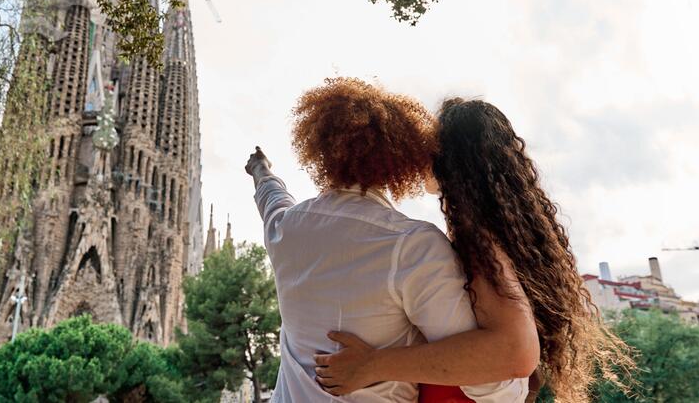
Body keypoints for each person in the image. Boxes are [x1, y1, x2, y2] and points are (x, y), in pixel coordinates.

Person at [313, 98, 635, 402]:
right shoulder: (500, 237)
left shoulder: (480, 245)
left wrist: (372, 365)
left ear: (448, 160)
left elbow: (514, 352)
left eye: (431, 145)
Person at [245, 78, 528, 402]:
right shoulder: (413, 246)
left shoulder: (286, 229)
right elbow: (490, 382)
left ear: (320, 150)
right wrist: (521, 386)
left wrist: (260, 170)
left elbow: (272, 198)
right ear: (400, 157)